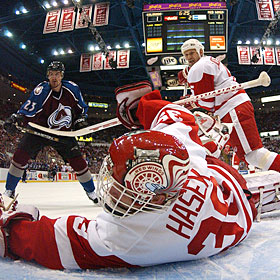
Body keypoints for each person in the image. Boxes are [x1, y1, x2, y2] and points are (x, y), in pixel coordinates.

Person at [4, 85, 280, 270]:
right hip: (223, 191)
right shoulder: (176, 158)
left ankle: (209, 140)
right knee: (193, 138)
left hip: (230, 194)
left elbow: (43, 240)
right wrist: (143, 108)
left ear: (156, 198)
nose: (110, 186)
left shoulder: (130, 237)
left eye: (120, 185)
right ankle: (210, 141)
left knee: (196, 137)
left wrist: (10, 227)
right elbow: (174, 116)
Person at [177, 39, 280, 173]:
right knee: (247, 155)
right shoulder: (208, 61)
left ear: (200, 51)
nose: (189, 57)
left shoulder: (198, 68)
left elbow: (206, 104)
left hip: (232, 109)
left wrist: (190, 102)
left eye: (192, 53)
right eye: (186, 54)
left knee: (254, 155)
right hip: (234, 107)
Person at [3, 61, 97, 203]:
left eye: (57, 74)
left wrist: (80, 121)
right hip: (39, 129)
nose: (54, 77)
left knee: (78, 162)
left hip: (62, 132)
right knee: (20, 156)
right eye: (52, 74)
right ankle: (9, 190)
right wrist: (17, 117)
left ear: (62, 76)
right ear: (48, 75)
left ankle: (91, 192)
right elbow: (28, 108)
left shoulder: (72, 88)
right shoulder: (41, 90)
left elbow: (81, 109)